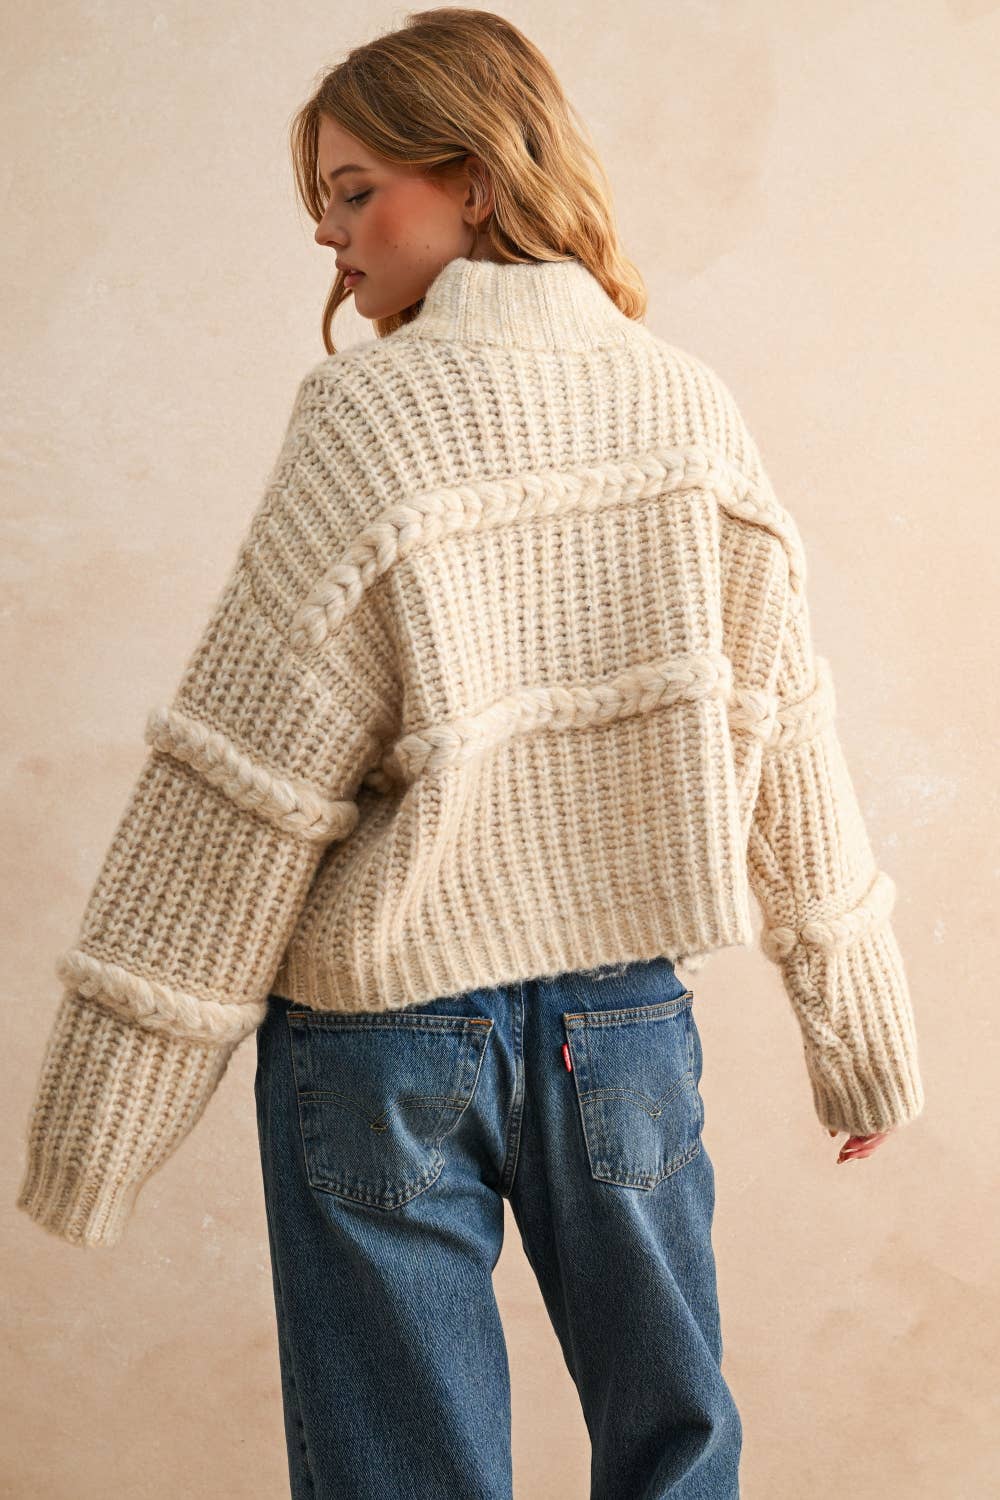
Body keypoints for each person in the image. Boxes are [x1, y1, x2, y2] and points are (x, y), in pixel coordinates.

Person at [16, 8, 924, 1497]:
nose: (328, 234)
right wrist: (860, 1038)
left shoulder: (366, 420)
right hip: (622, 1033)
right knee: (678, 1449)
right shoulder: (685, 406)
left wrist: (96, 1129)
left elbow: (240, 794)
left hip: (380, 1040)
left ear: (480, 179)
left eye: (354, 190)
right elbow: (785, 735)